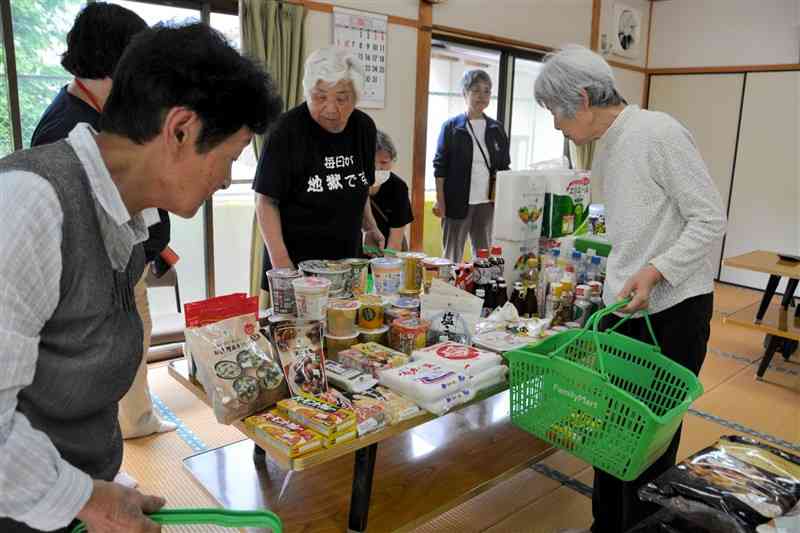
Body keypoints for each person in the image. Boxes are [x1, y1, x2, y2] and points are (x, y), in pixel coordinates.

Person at [0, 22, 282, 533]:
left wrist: (99, 491)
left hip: (77, 501)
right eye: (231, 158)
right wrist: (87, 499)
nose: (224, 180)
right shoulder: (28, 206)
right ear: (180, 130)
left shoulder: (127, 216)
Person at [534, 45, 726, 533]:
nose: (557, 124)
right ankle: (606, 526)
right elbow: (634, 225)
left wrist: (656, 270)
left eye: (556, 113)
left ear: (580, 99)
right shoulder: (608, 144)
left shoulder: (657, 132)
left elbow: (709, 218)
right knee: (608, 432)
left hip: (672, 311)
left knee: (646, 443)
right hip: (624, 310)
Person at [30, 2, 176, 448]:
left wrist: (157, 248)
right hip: (98, 274)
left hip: (127, 260)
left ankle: (133, 423)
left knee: (134, 342)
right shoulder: (66, 129)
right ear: (116, 63)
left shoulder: (96, 112)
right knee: (107, 358)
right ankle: (109, 454)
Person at [254, 46, 384, 290]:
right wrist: (283, 268)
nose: (331, 108)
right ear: (307, 93)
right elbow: (265, 202)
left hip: (348, 264)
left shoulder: (364, 128)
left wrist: (370, 225)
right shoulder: (285, 131)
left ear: (356, 96)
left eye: (342, 98)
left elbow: (359, 183)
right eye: (320, 97)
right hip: (296, 265)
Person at [432, 69, 510, 264]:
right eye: (476, 90)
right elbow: (440, 167)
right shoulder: (452, 127)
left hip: (487, 203)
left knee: (484, 256)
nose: (481, 96)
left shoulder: (496, 128)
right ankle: (449, 291)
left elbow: (504, 167)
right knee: (452, 256)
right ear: (464, 93)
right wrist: (440, 201)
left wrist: (502, 200)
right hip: (457, 202)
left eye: (486, 91)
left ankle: (479, 291)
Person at [369, 130, 413, 251]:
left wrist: (387, 265)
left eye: (384, 162)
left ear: (392, 161)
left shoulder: (398, 188)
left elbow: (395, 241)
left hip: (389, 247)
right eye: (371, 163)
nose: (378, 168)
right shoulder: (352, 183)